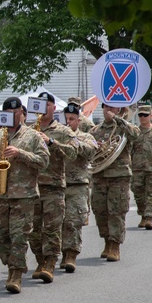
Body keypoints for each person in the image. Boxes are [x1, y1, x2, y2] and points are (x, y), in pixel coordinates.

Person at [0, 97, 50, 294]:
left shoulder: (33, 136)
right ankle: (11, 264)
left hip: (24, 195)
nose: (13, 115)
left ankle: (16, 273)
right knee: (1, 235)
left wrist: (21, 153)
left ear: (22, 113)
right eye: (8, 112)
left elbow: (44, 161)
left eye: (16, 112)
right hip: (0, 195)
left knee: (19, 236)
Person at [27, 92, 78, 283]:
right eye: (40, 105)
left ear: (54, 108)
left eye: (47, 105)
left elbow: (74, 152)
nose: (43, 108)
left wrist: (51, 142)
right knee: (33, 230)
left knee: (52, 228)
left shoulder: (63, 131)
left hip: (53, 186)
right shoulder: (29, 129)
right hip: (32, 186)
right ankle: (40, 260)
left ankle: (49, 263)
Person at [90, 103, 140, 262]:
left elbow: (135, 135)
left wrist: (119, 120)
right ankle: (106, 241)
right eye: (106, 108)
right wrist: (95, 148)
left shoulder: (124, 128)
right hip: (99, 175)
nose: (109, 111)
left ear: (119, 110)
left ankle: (115, 245)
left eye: (113, 108)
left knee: (116, 211)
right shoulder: (95, 130)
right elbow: (88, 151)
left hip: (119, 175)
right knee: (100, 210)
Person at [60, 103, 98, 272]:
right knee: (56, 223)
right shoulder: (56, 136)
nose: (68, 122)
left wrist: (73, 140)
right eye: (66, 119)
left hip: (77, 184)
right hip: (57, 185)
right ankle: (59, 253)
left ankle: (71, 255)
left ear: (79, 120)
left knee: (73, 222)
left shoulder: (85, 137)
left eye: (72, 119)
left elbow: (90, 152)